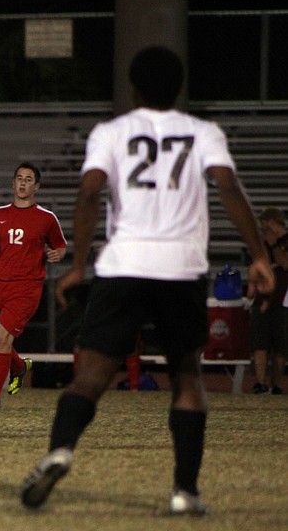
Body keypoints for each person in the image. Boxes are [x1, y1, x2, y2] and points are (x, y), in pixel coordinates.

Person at [19, 46, 275, 515]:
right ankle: (184, 492)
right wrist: (259, 255)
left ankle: (60, 450)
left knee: (91, 376)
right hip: (181, 268)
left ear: (132, 87)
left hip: (123, 265)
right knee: (187, 378)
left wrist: (78, 265)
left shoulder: (111, 132)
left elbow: (91, 193)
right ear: (179, 88)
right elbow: (228, 188)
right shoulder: (203, 132)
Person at [0, 162, 67, 408]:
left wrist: (58, 254)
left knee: (2, 339)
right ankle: (20, 367)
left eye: (29, 179)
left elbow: (60, 246)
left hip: (26, 287)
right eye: (19, 178)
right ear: (13, 183)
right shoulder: (0, 215)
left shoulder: (46, 218)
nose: (23, 182)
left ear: (37, 186)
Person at [250, 207, 288, 394]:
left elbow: (285, 263)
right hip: (263, 297)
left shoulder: (282, 241)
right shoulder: (262, 242)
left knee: (281, 345)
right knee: (260, 342)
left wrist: (274, 245)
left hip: (283, 298)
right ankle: (261, 382)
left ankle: (277, 384)